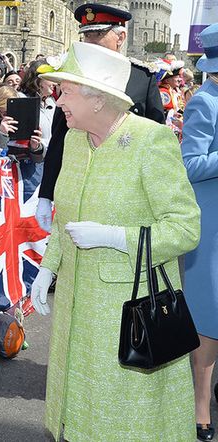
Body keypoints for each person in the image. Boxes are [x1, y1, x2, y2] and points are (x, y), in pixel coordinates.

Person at [29, 41, 200, 441]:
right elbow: (66, 218)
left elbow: (186, 227)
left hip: (128, 310)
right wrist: (47, 267)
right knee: (79, 410)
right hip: (75, 302)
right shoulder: (73, 139)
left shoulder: (150, 141)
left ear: (98, 98)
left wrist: (116, 238)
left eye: (67, 90)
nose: (59, 99)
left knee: (124, 419)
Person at [35, 2, 165, 232]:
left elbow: (158, 140)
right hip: (78, 191)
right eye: (86, 36)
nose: (90, 42)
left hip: (126, 192)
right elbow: (59, 138)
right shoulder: (72, 77)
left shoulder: (142, 78)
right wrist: (46, 194)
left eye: (97, 34)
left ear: (120, 37)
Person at [180, 23, 218, 442]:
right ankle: (199, 409)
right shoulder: (204, 102)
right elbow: (190, 165)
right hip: (211, 226)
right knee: (209, 318)